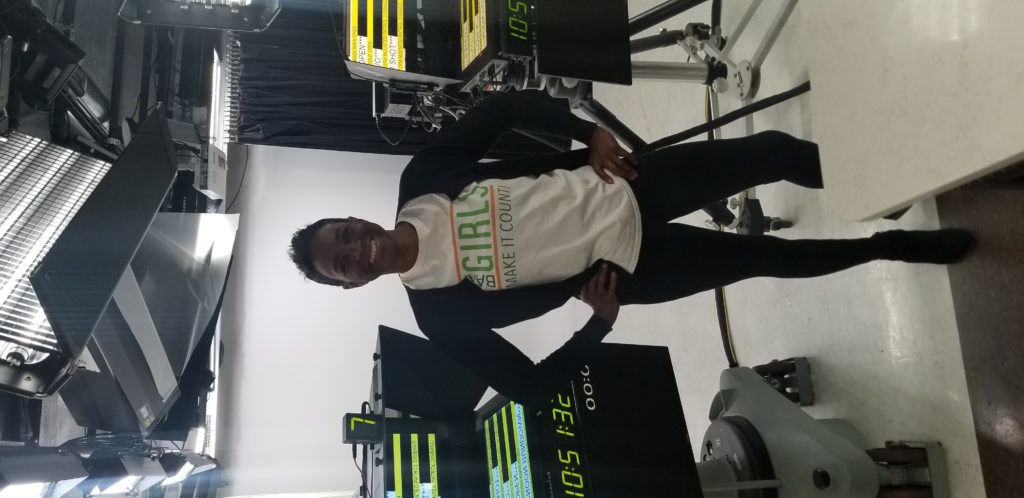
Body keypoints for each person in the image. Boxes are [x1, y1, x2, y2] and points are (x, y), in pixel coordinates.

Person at [288, 90, 973, 406]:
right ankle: (889, 247)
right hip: (627, 270)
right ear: (352, 285)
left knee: (771, 151)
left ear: (352, 218)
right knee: (768, 259)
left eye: (346, 236)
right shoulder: (439, 316)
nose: (359, 250)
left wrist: (587, 134)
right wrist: (596, 326)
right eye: (345, 264)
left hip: (624, 182)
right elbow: (527, 388)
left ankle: (878, 183)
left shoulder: (422, 181)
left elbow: (498, 111)